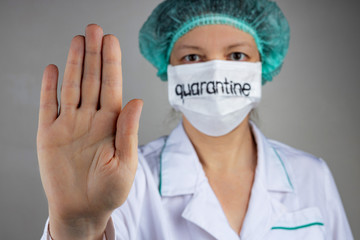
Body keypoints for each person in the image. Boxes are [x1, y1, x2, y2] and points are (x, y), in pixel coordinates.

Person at [38, 0, 353, 239]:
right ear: (169, 68)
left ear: (262, 64)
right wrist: (76, 225)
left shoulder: (312, 176)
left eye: (236, 56)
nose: (216, 70)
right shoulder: (126, 181)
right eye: (192, 57)